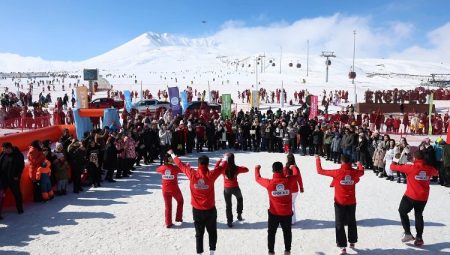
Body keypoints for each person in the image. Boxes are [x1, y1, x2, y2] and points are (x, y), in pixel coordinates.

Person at [169, 149, 228, 255]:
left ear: (198, 164)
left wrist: (172, 154)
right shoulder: (211, 175)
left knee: (199, 233)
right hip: (210, 209)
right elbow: (222, 167)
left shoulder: (192, 174)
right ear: (208, 164)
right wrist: (225, 157)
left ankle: (199, 253)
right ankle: (212, 252)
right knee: (212, 232)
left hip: (197, 210)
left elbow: (180, 164)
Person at [315, 154, 364, 255]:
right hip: (351, 202)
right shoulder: (354, 172)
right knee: (352, 221)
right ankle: (352, 241)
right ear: (350, 162)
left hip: (339, 202)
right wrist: (359, 165)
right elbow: (362, 172)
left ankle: (342, 246)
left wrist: (318, 159)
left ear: (341, 162)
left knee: (339, 223)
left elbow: (320, 171)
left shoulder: (337, 172)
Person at [390, 150, 439, 246]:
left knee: (402, 211)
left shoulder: (410, 167)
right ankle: (419, 238)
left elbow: (392, 167)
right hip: (423, 197)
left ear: (414, 158)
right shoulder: (429, 168)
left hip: (410, 196)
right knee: (418, 215)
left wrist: (395, 160)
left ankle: (408, 233)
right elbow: (436, 173)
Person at [255, 160, 299, 255]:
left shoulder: (269, 183)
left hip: (274, 214)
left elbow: (258, 178)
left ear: (273, 170)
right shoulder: (289, 180)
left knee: (271, 233)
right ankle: (287, 251)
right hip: (286, 213)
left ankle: (271, 252)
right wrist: (293, 167)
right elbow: (296, 175)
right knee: (287, 232)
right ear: (282, 170)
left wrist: (257, 168)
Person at [155, 153, 184, 228]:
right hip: (174, 189)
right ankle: (178, 218)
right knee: (180, 201)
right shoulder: (175, 168)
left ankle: (168, 223)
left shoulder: (162, 168)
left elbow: (157, 170)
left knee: (168, 206)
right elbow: (183, 169)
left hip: (165, 190)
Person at [221, 153, 249, 228]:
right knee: (240, 199)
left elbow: (216, 167)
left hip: (226, 189)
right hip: (235, 188)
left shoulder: (222, 168)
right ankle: (239, 215)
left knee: (228, 205)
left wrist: (221, 161)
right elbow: (246, 169)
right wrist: (241, 167)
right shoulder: (236, 168)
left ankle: (229, 221)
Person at [0, 142, 25, 215]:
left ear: (10, 148)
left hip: (13, 178)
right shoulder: (3, 154)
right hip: (3, 178)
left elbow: (21, 166)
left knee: (17, 194)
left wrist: (17, 175)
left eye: (6, 149)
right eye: (3, 149)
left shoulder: (18, 154)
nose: (4, 150)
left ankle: (20, 209)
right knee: (1, 195)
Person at [284, 153, 304, 225]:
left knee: (289, 205)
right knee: (292, 204)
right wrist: (301, 187)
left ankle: (290, 220)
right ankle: (292, 220)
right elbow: (299, 179)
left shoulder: (285, 168)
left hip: (287, 190)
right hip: (295, 190)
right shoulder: (296, 168)